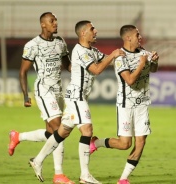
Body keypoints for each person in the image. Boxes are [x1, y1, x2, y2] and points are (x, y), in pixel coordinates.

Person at [28, 20, 126, 184]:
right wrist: (113, 55)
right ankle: (85, 175)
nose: (95, 31)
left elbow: (108, 60)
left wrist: (129, 55)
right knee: (87, 130)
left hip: (78, 97)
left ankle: (37, 160)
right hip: (76, 97)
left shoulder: (92, 51)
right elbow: (96, 69)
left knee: (62, 132)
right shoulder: (80, 51)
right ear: (83, 33)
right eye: (92, 29)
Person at [8, 12, 74, 184]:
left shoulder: (60, 42)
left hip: (58, 90)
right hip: (44, 90)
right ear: (43, 24)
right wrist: (25, 95)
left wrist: (82, 69)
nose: (55, 23)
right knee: (60, 129)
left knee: (51, 134)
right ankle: (58, 174)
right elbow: (23, 71)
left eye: (56, 20)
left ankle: (18, 137)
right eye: (52, 21)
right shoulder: (33, 45)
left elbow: (68, 65)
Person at [89, 25, 159, 184]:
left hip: (142, 105)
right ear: (128, 38)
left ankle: (123, 179)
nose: (140, 37)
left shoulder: (145, 53)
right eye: (137, 34)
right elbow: (130, 80)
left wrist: (154, 61)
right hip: (126, 105)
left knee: (141, 142)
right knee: (124, 144)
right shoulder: (120, 57)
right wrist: (142, 64)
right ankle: (96, 142)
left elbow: (153, 70)